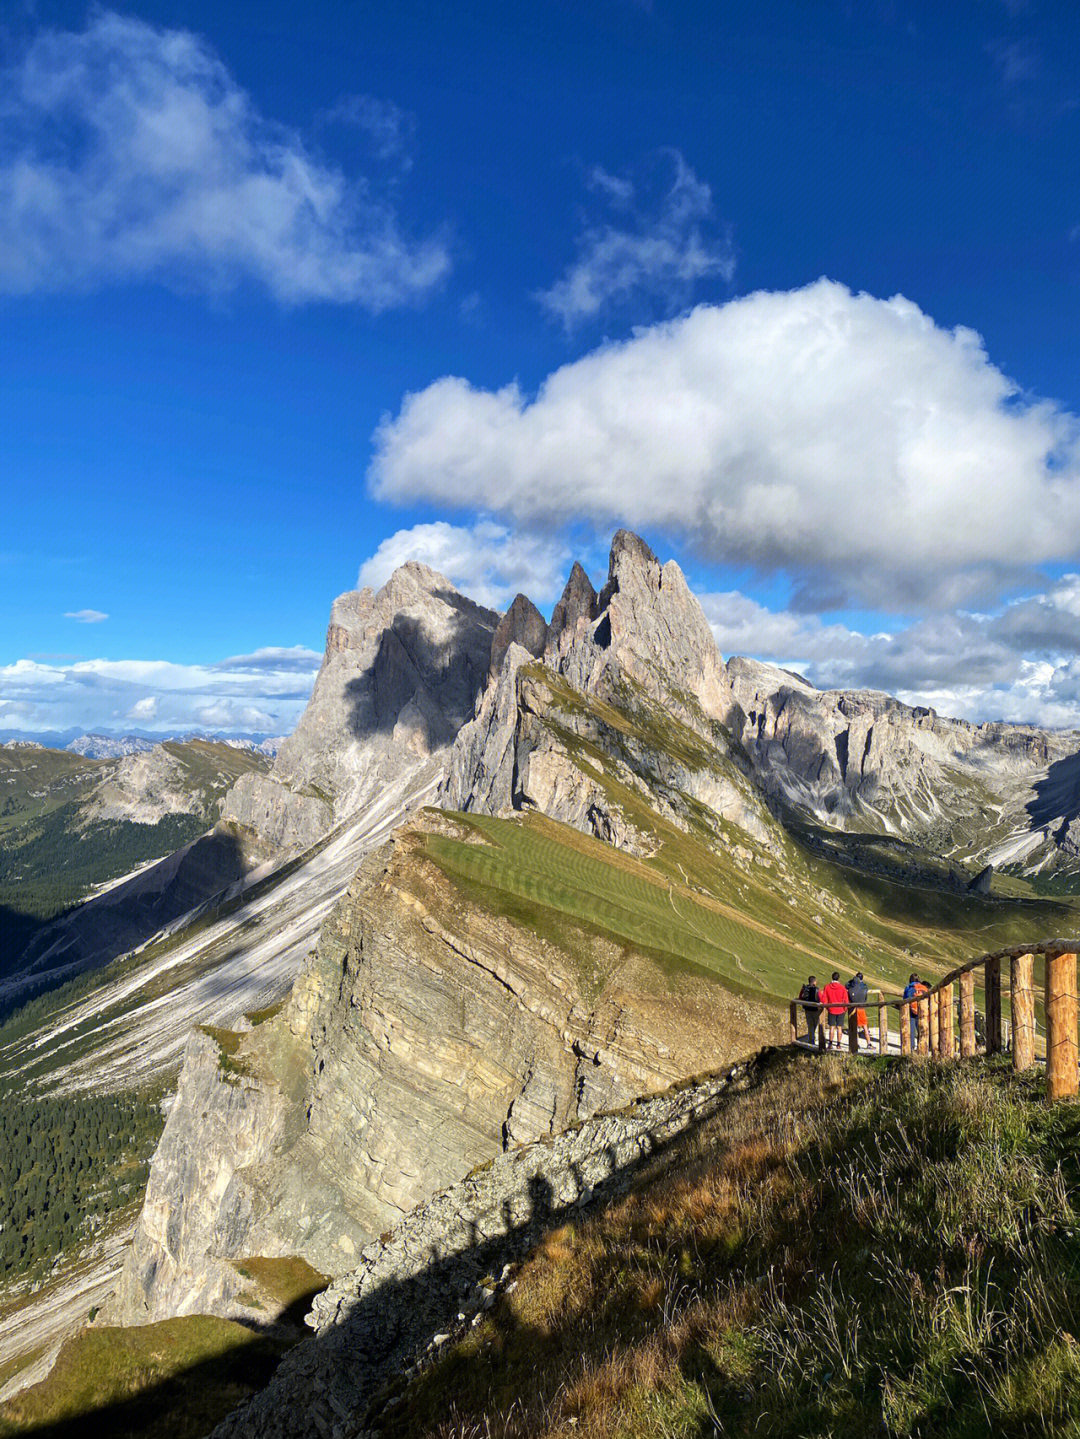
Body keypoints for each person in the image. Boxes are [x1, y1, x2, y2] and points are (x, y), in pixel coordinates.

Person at [820, 971, 849, 1051]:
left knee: (831, 1027)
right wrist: (844, 1009)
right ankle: (839, 1044)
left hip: (831, 1009)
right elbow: (846, 1000)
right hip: (840, 1010)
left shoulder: (827, 987)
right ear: (838, 978)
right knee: (839, 1027)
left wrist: (827, 1007)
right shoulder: (842, 988)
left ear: (832, 977)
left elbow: (824, 998)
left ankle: (830, 1043)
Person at [847, 971, 871, 1050]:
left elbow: (846, 985)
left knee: (855, 1027)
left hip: (854, 1008)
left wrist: (851, 981)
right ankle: (869, 1043)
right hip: (861, 1007)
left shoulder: (852, 987)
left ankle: (856, 1043)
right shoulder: (864, 987)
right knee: (865, 1026)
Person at [798, 974, 823, 1047]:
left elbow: (800, 997)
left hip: (807, 1009)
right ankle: (814, 1039)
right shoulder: (817, 989)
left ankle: (811, 1039)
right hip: (815, 1009)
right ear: (814, 982)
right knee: (816, 1024)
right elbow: (821, 999)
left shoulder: (804, 988)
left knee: (810, 1024)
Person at [902, 973, 920, 1049]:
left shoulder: (908, 988)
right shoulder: (922, 987)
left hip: (911, 1010)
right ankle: (922, 1045)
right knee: (921, 1028)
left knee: (911, 1029)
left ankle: (912, 1046)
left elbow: (904, 999)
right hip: (921, 1009)